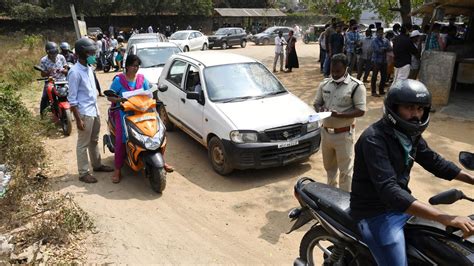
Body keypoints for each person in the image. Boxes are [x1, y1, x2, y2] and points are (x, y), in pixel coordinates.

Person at [349, 79, 474, 266]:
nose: (415, 114)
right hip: (374, 212)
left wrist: (471, 178)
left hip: (401, 205)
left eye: (420, 109)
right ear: (394, 108)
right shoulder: (374, 140)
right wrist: (446, 217)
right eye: (409, 108)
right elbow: (390, 191)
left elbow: (435, 162)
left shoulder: (409, 135)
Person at [107, 55, 174, 183]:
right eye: (133, 65)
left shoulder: (142, 79)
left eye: (137, 65)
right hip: (123, 113)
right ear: (127, 66)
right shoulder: (118, 80)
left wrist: (156, 91)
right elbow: (110, 97)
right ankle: (117, 170)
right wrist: (119, 100)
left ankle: (162, 161)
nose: (136, 68)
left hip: (143, 111)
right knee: (121, 140)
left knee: (157, 133)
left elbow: (150, 90)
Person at [313, 53, 367, 192]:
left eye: (338, 71)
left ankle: (345, 200)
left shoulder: (356, 86)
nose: (335, 74)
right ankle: (332, 195)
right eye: (332, 71)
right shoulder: (324, 84)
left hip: (344, 135)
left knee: (345, 171)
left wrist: (340, 115)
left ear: (346, 69)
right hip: (326, 134)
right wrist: (321, 109)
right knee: (329, 168)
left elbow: (361, 111)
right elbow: (317, 103)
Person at [67, 38, 113, 183]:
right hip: (85, 113)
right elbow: (72, 99)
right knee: (83, 144)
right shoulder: (74, 72)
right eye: (91, 53)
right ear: (83, 53)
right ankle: (83, 172)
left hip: (94, 110)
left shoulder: (88, 68)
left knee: (94, 140)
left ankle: (97, 165)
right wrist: (78, 119)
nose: (94, 55)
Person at [39, 41, 68, 118]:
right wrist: (48, 72)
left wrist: (62, 70)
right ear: (47, 52)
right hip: (50, 81)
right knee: (45, 96)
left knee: (72, 93)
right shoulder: (43, 60)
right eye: (52, 53)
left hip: (62, 80)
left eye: (55, 52)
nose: (53, 55)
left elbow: (66, 71)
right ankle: (43, 115)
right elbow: (42, 74)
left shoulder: (61, 57)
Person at [370, 27, 390, 97]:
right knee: (374, 76)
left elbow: (390, 48)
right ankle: (373, 91)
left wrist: (383, 48)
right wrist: (384, 48)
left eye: (382, 32)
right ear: (376, 33)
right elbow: (377, 50)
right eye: (379, 32)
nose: (381, 33)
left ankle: (381, 90)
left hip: (384, 61)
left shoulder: (386, 40)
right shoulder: (374, 40)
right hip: (376, 60)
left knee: (384, 76)